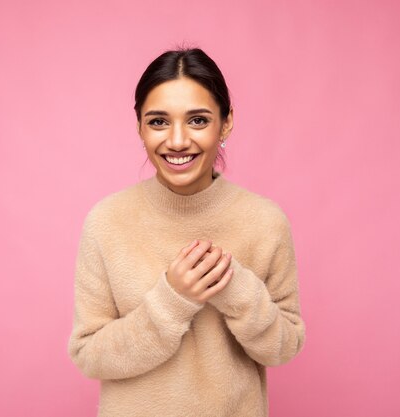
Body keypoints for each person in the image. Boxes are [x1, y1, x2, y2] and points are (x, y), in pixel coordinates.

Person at [67, 47, 306, 417]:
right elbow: (89, 356)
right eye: (159, 121)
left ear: (226, 123)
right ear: (139, 127)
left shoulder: (264, 221)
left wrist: (235, 288)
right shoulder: (107, 221)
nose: (177, 141)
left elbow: (283, 347)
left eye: (197, 120)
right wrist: (172, 300)